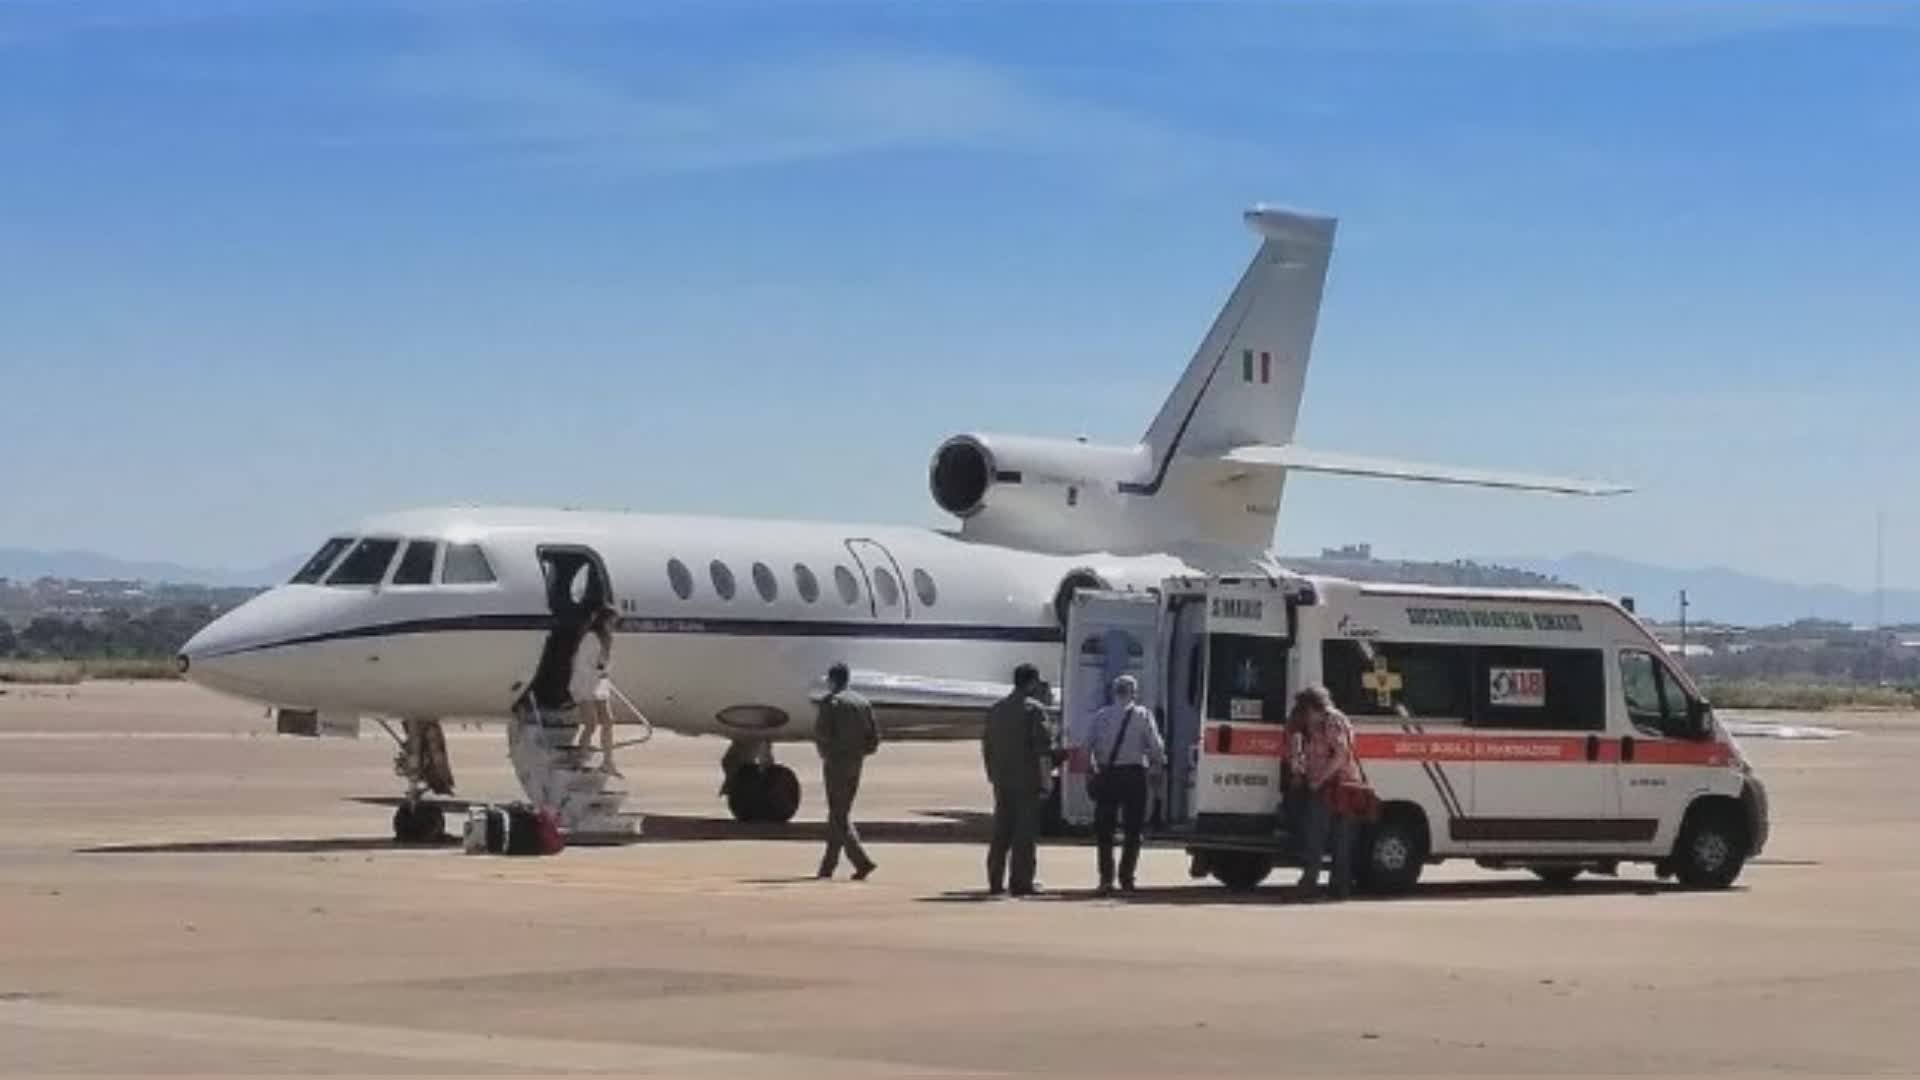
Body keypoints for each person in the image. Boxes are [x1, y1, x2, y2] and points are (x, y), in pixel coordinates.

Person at [1084, 674, 1166, 895]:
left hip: (1108, 774)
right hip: (1133, 776)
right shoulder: (1143, 715)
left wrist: (1091, 771)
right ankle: (1126, 878)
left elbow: (1086, 747)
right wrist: (1157, 765)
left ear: (1114, 691)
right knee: (1133, 830)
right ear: (1134, 693)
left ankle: (1105, 879)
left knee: (1105, 831)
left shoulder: (1100, 716)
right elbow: (1156, 747)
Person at [982, 663, 1053, 897]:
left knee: (1001, 831)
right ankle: (1021, 881)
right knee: (1024, 833)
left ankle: (994, 880)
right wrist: (1046, 781)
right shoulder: (1034, 710)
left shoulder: (996, 710)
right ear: (1032, 682)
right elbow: (1042, 750)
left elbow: (987, 747)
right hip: (1027, 780)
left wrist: (993, 775)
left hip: (1002, 779)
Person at [1292, 685, 1359, 901]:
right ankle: (1337, 886)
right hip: (1331, 786)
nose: (1305, 717)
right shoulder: (1317, 725)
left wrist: (1320, 779)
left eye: (1306, 711)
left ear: (1314, 707)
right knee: (1336, 838)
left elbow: (1341, 754)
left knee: (1321, 837)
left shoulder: (1332, 721)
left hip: (1334, 787)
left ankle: (1315, 884)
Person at [813, 662, 879, 881]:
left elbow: (822, 734)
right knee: (840, 813)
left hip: (836, 763)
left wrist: (827, 753)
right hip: (855, 763)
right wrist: (859, 754)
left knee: (838, 814)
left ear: (833, 680)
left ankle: (862, 861)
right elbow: (874, 739)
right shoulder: (863, 703)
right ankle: (827, 866)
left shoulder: (831, 703)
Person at [573, 604, 621, 776]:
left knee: (608, 721)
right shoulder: (590, 638)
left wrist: (603, 671)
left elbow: (605, 664)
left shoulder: (607, 639)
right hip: (585, 684)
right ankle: (580, 757)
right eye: (611, 621)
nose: (613, 625)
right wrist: (598, 670)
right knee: (591, 723)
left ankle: (608, 761)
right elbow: (582, 663)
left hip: (599, 683)